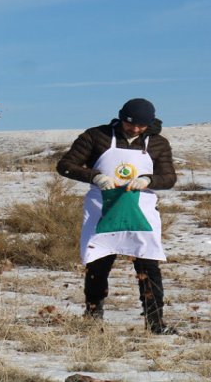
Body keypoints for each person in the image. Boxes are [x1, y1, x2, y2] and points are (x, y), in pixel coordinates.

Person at [57, 98, 177, 334]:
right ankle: (93, 316)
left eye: (141, 126)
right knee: (98, 263)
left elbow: (169, 178)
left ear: (149, 123)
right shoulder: (96, 136)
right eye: (129, 123)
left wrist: (148, 180)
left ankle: (155, 321)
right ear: (121, 117)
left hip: (140, 210)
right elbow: (65, 165)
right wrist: (95, 176)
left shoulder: (158, 144)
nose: (134, 129)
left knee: (148, 265)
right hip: (103, 208)